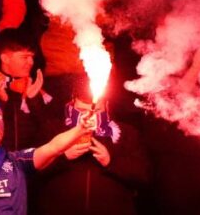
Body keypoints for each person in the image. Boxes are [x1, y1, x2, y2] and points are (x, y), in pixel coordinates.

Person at [35, 76, 148, 215]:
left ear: (106, 105)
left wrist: (111, 162)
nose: (89, 116)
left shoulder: (126, 132)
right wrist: (62, 156)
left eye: (97, 111)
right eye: (81, 111)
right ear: (72, 101)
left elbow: (143, 175)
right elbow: (33, 172)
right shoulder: (52, 128)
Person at [0, 31, 53, 152]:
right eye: (25, 57)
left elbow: (47, 131)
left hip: (30, 162)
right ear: (5, 58)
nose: (31, 62)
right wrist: (1, 102)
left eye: (32, 57)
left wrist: (33, 99)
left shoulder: (34, 85)